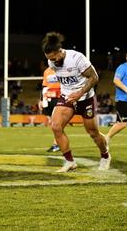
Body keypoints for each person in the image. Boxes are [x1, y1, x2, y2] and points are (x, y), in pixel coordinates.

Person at [42, 32, 110, 172]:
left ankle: (105, 155)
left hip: (86, 98)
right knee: (56, 127)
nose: (53, 61)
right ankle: (70, 161)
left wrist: (79, 93)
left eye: (54, 58)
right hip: (67, 97)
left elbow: (94, 77)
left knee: (93, 133)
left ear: (60, 51)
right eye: (50, 59)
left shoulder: (76, 58)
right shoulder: (51, 61)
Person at [40, 66, 61, 153]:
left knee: (57, 122)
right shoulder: (47, 71)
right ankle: (57, 143)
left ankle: (56, 144)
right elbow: (44, 87)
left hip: (60, 98)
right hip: (49, 98)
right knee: (52, 122)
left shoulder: (62, 69)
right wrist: (41, 100)